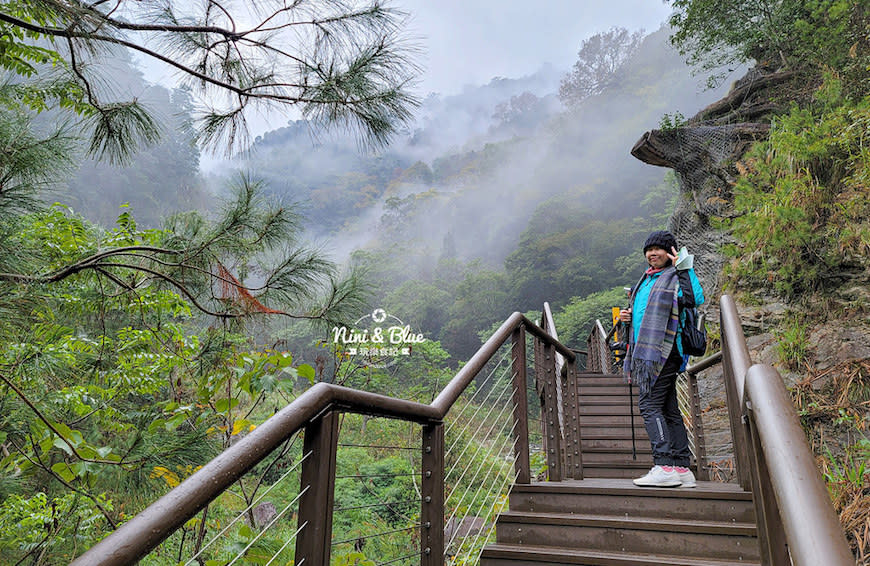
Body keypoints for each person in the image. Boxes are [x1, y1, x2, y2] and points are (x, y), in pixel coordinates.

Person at [619, 230, 704, 488]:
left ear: (670, 252)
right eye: (649, 249)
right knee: (668, 408)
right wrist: (629, 316)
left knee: (649, 404)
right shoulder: (646, 279)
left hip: (665, 350)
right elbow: (646, 312)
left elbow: (694, 299)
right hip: (649, 351)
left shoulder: (676, 274)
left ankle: (664, 465)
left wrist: (683, 267)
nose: (652, 253)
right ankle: (681, 467)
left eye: (658, 248)